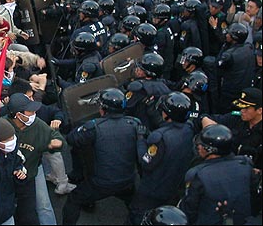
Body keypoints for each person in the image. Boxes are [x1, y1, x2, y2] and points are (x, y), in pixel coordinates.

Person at [63, 88, 141, 225]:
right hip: (127, 179)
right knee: (136, 208)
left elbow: (71, 139)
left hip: (100, 183)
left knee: (73, 200)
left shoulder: (94, 127)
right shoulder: (135, 123)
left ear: (102, 108)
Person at [128, 92, 195, 224]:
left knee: (137, 216)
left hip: (152, 188)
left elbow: (146, 162)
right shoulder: (189, 128)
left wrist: (141, 139)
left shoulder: (159, 137)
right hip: (173, 186)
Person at [179, 124, 258, 224]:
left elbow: (189, 211)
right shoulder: (245, 164)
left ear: (211, 150)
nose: (199, 147)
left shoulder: (198, 174)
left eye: (202, 145)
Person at [5, 93, 65, 225]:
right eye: (30, 111)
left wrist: (57, 143)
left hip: (30, 176)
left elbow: (55, 138)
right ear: (18, 115)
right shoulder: (3, 126)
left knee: (34, 211)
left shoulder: (38, 125)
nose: (33, 113)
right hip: (6, 179)